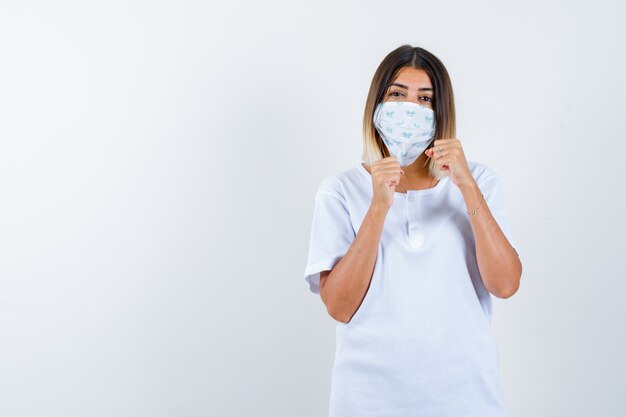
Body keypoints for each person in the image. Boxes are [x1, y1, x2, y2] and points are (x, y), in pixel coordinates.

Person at [303, 44, 522, 417]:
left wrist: (466, 186)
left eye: (426, 99)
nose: (411, 109)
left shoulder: (480, 181)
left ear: (441, 112)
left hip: (467, 398)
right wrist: (378, 208)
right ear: (377, 105)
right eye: (397, 94)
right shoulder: (340, 190)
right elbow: (339, 307)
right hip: (367, 399)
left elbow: (505, 285)